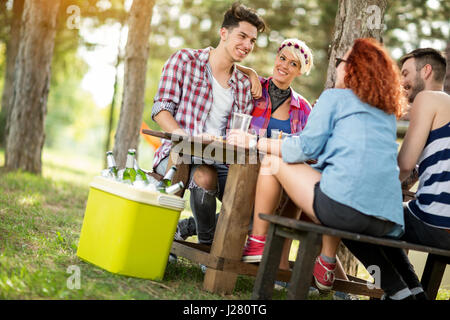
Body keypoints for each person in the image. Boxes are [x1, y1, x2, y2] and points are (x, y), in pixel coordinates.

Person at [232, 38, 407, 295]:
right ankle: (325, 262)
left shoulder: (336, 97)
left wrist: (255, 141)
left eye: (340, 62)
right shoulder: (385, 112)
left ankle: (257, 242)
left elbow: (304, 149)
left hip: (344, 210)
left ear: (352, 68)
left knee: (272, 161)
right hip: (386, 220)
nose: (337, 68)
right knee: (331, 178)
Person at [151, 3, 266, 246]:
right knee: (204, 176)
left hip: (219, 159)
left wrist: (251, 73)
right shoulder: (184, 60)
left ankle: (193, 233)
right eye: (242, 36)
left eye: (252, 41)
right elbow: (161, 110)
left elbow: (236, 135)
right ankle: (207, 247)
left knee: (255, 204)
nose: (247, 45)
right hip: (176, 155)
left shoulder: (244, 85)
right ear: (223, 33)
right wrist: (186, 138)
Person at [341, 48, 450, 300]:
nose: (401, 82)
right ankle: (413, 292)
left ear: (427, 71)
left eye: (405, 73)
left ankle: (396, 290)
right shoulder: (442, 109)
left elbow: (403, 165)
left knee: (346, 213)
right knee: (389, 215)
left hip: (437, 224)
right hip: (439, 224)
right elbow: (416, 169)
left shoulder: (429, 99)